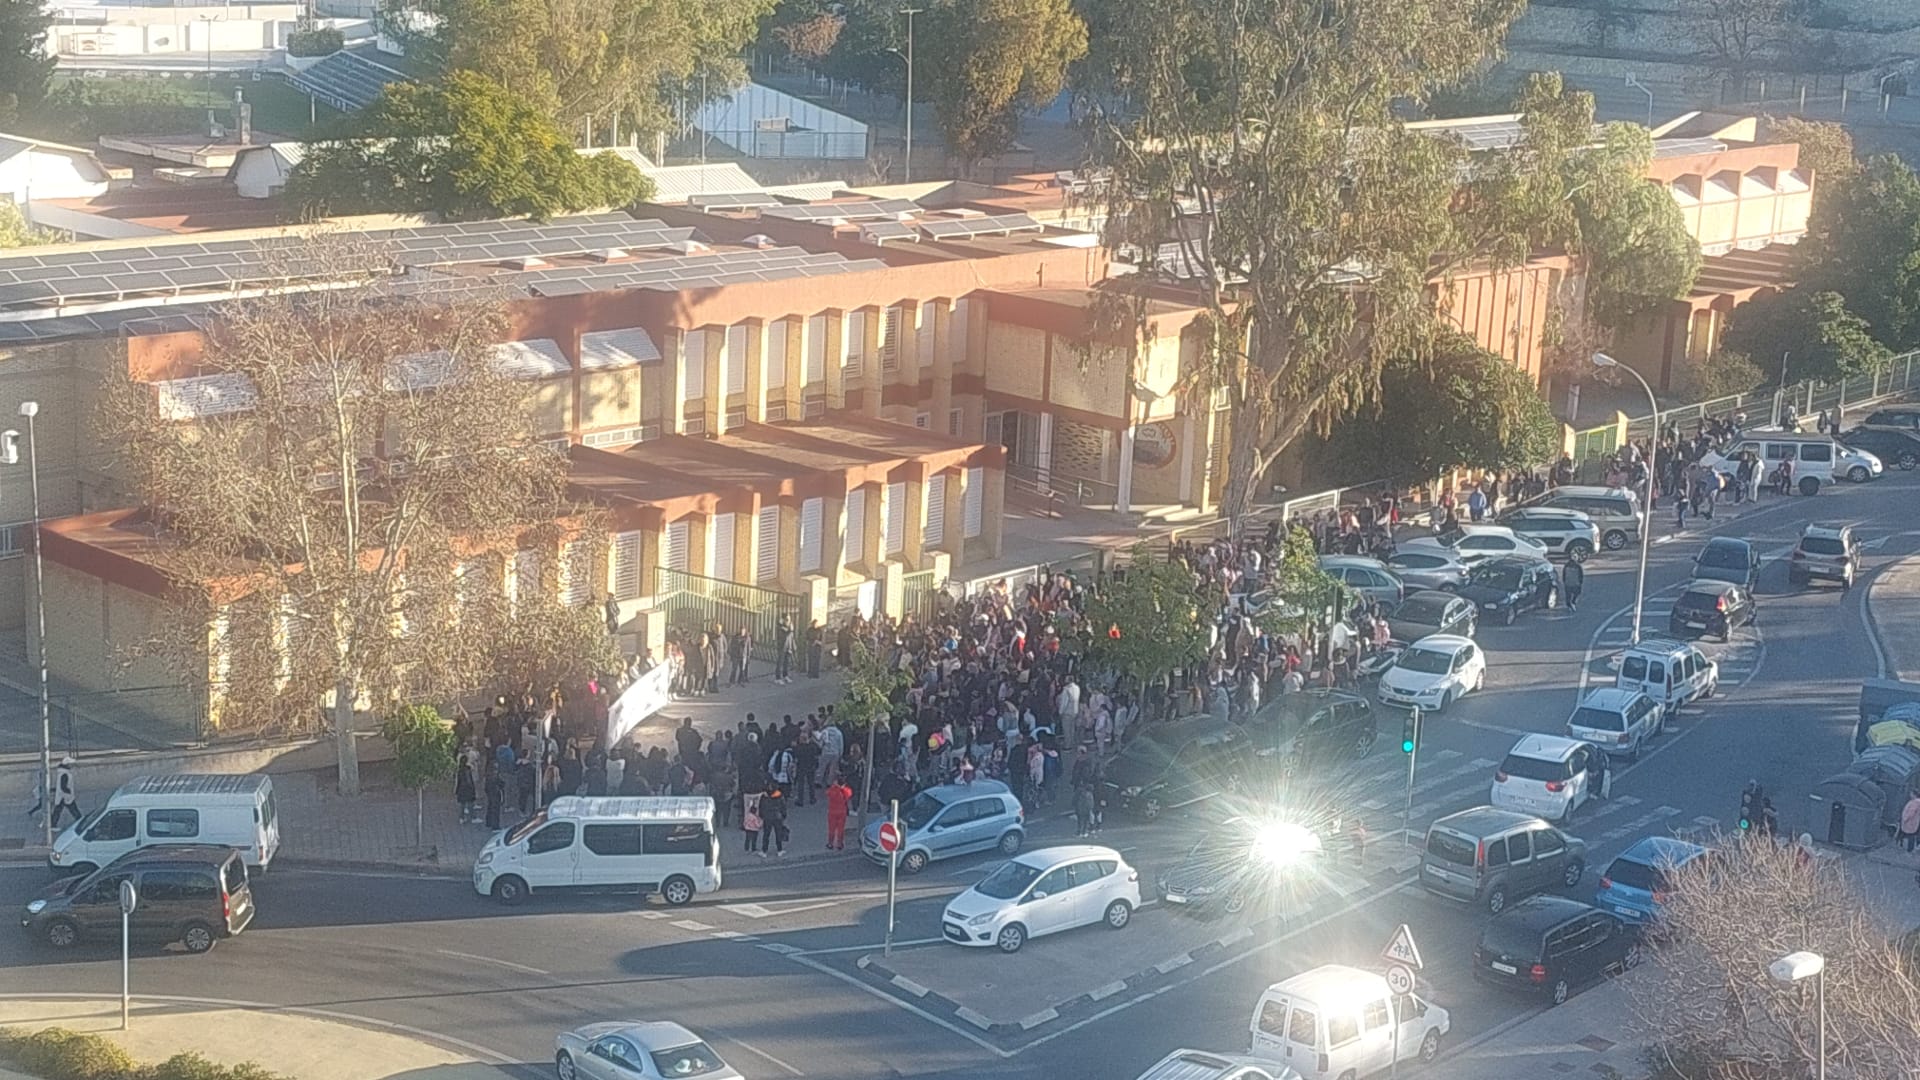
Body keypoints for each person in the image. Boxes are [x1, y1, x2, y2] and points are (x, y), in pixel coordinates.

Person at [50, 755, 82, 829]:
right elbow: (63, 786)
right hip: (65, 796)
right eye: (71, 764)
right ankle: (80, 820)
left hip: (62, 796)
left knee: (58, 810)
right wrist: (69, 793)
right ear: (67, 764)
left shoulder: (62, 773)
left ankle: (53, 824)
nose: (72, 765)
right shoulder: (65, 774)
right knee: (73, 809)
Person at [759, 785, 789, 857]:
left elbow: (761, 807)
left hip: (767, 817)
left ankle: (764, 851)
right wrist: (784, 815)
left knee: (766, 834)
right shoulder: (779, 795)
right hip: (777, 817)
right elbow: (783, 806)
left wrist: (761, 815)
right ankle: (779, 850)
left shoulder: (764, 796)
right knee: (778, 834)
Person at [825, 774, 853, 850]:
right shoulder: (846, 791)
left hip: (832, 811)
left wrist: (835, 786)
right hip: (842, 812)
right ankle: (839, 844)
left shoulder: (833, 790)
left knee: (831, 828)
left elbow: (827, 793)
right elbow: (849, 794)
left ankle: (830, 843)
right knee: (841, 829)